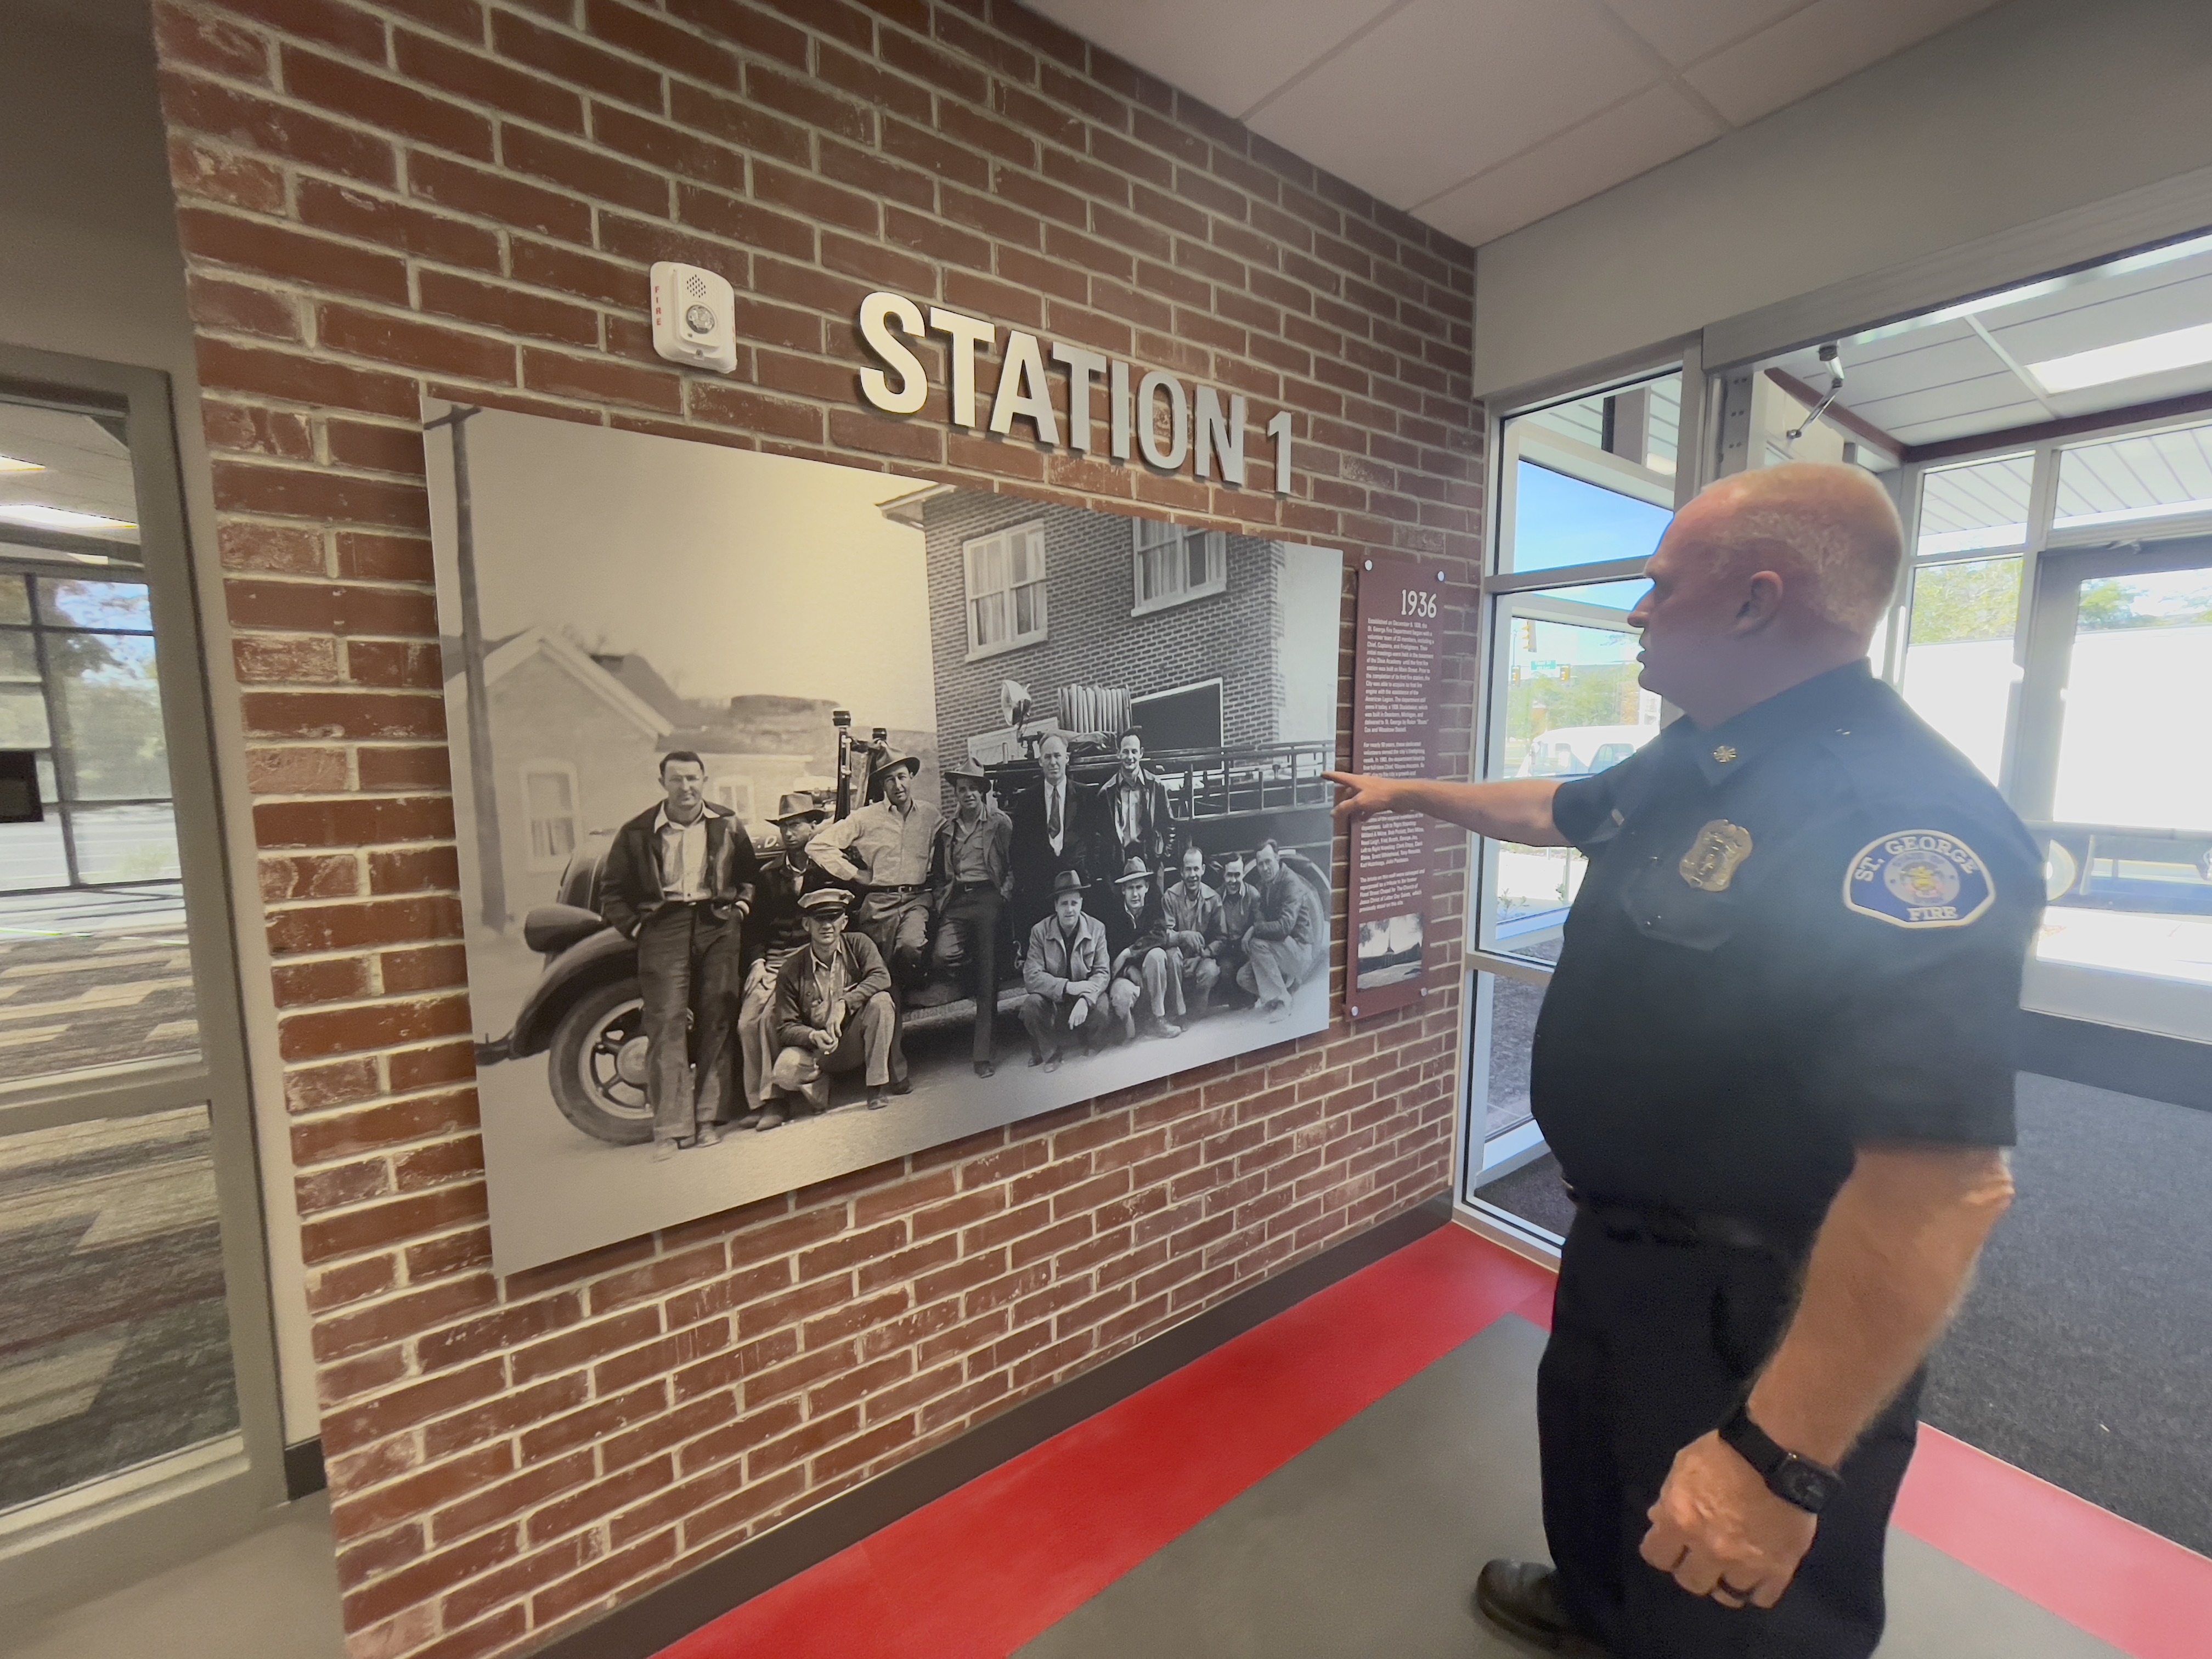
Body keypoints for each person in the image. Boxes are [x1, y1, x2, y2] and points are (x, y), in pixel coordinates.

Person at [1325, 461, 2040, 1659]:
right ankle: (1600, 1614)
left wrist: (1779, 1455)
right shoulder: (1709, 752)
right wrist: (1412, 793)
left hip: (1763, 1301)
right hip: (1624, 1248)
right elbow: (1564, 806)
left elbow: (1942, 1187)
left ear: (1758, 603)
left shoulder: (1900, 824)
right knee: (1607, 1483)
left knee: (1732, 1584)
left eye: (1660, 588)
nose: (1636, 613)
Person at [597, 751, 758, 1160]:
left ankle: (708, 1120)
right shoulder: (637, 832)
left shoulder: (727, 822)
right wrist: (636, 928)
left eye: (692, 779)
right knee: (665, 1020)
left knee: (717, 1013)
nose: (686, 788)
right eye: (676, 780)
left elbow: (748, 875)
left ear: (704, 780)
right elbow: (612, 891)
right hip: (663, 926)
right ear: (663, 784)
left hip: (717, 923)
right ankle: (669, 1129)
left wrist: (740, 908)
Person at [806, 744, 939, 1002]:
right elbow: (818, 846)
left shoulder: (930, 815)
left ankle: (907, 995)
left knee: (910, 947)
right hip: (879, 906)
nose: (897, 785)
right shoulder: (865, 818)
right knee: (878, 971)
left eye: (902, 777)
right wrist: (855, 874)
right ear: (883, 785)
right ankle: (894, 1011)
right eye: (890, 780)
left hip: (917, 900)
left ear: (911, 777)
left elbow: (951, 837)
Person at [763, 888, 900, 1124]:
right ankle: (821, 1085)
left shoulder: (859, 944)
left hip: (856, 1040)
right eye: (819, 918)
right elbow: (785, 1027)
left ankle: (876, 1087)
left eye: (834, 917)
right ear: (807, 925)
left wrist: (844, 1003)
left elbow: (881, 977)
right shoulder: (791, 969)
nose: (827, 925)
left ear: (844, 922)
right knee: (784, 1070)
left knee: (882, 1002)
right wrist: (812, 1035)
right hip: (820, 1052)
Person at [737, 790, 826, 1123]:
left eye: (796, 825)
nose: (788, 833)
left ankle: (776, 1101)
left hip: (808, 955)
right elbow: (756, 929)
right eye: (784, 827)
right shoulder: (770, 874)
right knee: (747, 1022)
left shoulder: (825, 867)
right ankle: (756, 1103)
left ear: (812, 827)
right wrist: (758, 963)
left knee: (769, 1019)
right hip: (774, 959)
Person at [923, 762, 1013, 1076]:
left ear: (983, 791)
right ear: (957, 795)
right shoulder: (947, 831)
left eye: (974, 788)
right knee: (942, 954)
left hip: (989, 899)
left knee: (987, 977)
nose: (969, 794)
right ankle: (972, 974)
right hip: (959, 900)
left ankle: (983, 1056)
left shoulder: (999, 823)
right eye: (963, 789)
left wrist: (1004, 894)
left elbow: (1013, 865)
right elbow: (938, 875)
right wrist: (940, 899)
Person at [1018, 868, 1111, 1073]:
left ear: (1081, 904)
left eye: (1074, 903)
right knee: (1030, 1006)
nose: (1070, 910)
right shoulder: (1040, 932)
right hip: (1055, 1002)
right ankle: (1051, 1052)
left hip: (1082, 999)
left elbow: (1102, 973)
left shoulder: (1097, 929)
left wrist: (1085, 1000)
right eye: (1064, 904)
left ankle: (1090, 1041)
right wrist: (1070, 987)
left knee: (1103, 1007)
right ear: (1056, 907)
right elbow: (1031, 977)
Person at [1008, 731, 1088, 960]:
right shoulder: (1026, 801)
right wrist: (1029, 882)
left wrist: (1086, 872)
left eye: (1058, 756)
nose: (1053, 762)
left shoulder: (1085, 797)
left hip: (1076, 884)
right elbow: (1018, 849)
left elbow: (1096, 841)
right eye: (1048, 757)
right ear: (1040, 761)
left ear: (1067, 758)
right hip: (1039, 891)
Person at [1236, 838, 1321, 1023]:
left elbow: (1284, 927)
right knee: (1243, 977)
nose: (1265, 868)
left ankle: (1283, 1002)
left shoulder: (1291, 883)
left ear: (1277, 858)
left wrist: (1254, 929)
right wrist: (1257, 925)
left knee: (1256, 944)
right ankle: (1286, 988)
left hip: (1300, 952)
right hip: (1282, 952)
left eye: (1269, 862)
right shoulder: (1264, 886)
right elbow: (1259, 915)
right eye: (1261, 864)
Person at [1103, 857, 1184, 1042]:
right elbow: (1109, 952)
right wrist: (1127, 968)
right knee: (1126, 1029)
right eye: (1130, 888)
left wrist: (1128, 952)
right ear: (1123, 890)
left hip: (1152, 971)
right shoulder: (1113, 914)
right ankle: (1129, 1023)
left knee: (1157, 955)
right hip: (1127, 976)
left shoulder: (1154, 907)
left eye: (1139, 887)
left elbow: (1160, 936)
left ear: (1147, 887)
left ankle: (1158, 1018)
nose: (1135, 894)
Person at [1090, 729, 1174, 883]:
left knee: (1153, 907)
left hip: (1151, 863)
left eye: (1134, 752)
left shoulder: (1156, 786)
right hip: (1118, 865)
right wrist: (1107, 867)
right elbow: (1099, 836)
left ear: (1141, 753)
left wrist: (1162, 859)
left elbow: (1169, 825)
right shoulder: (1106, 793)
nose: (1130, 757)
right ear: (1118, 753)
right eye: (1126, 752)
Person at [1160, 843, 1223, 1019]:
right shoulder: (1170, 897)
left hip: (1200, 958)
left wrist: (1202, 956)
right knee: (1171, 955)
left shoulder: (1213, 899)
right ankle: (1178, 1011)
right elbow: (1164, 935)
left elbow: (1221, 938)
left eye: (1196, 869)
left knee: (1211, 970)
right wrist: (1183, 935)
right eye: (1188, 870)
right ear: (1182, 872)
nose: (1193, 875)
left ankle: (1198, 1008)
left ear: (1203, 869)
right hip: (1178, 960)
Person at [1210, 850, 1259, 1002]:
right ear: (1224, 875)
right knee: (1225, 969)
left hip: (1248, 947)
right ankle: (1237, 1000)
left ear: (1244, 874)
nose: (1233, 880)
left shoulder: (1253, 895)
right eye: (1229, 875)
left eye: (1237, 875)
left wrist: (1250, 933)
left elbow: (1261, 922)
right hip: (1228, 950)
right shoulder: (1216, 898)